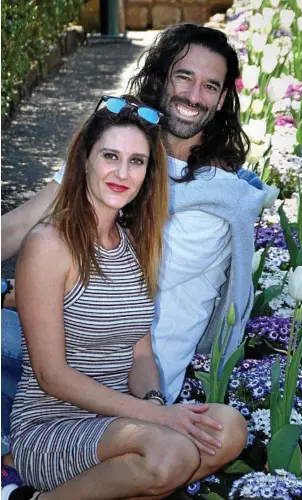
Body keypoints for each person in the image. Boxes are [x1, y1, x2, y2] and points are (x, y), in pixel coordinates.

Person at [2, 24, 265, 462]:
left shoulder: (217, 201)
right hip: (63, 356)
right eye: (184, 77)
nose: (193, 95)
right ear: (162, 77)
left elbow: (111, 289)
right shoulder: (120, 149)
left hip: (128, 379)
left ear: (221, 101)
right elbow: (18, 226)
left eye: (210, 86)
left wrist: (14, 293)